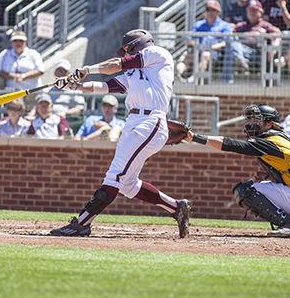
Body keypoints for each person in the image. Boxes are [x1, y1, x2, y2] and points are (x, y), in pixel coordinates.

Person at [49, 29, 190, 237]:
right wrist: (75, 86)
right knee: (127, 184)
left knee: (115, 175)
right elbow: (106, 86)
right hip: (133, 122)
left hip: (150, 120)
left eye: (127, 50)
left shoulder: (158, 53)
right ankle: (177, 208)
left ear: (136, 45)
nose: (125, 54)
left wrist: (86, 69)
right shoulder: (135, 73)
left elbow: (116, 65)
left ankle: (82, 222)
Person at [185, 102, 290, 237]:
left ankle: (288, 224)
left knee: (245, 190)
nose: (251, 123)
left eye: (256, 119)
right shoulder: (280, 138)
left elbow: (232, 145)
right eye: (250, 119)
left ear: (268, 124)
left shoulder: (270, 141)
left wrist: (195, 137)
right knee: (257, 185)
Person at [221, 0, 280, 83]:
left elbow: (278, 34)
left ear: (261, 12)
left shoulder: (265, 25)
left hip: (256, 54)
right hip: (241, 51)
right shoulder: (241, 26)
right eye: (250, 10)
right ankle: (239, 61)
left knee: (231, 52)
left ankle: (228, 79)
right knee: (230, 39)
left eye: (254, 10)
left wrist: (274, 47)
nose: (252, 13)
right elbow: (229, 36)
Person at [176, 0, 231, 82]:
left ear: (218, 12)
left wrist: (210, 47)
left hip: (214, 53)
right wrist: (196, 45)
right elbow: (189, 39)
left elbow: (225, 43)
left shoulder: (225, 25)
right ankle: (178, 74)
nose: (210, 13)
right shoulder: (198, 24)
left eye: (213, 10)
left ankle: (193, 79)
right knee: (188, 55)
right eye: (208, 10)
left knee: (205, 55)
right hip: (197, 49)